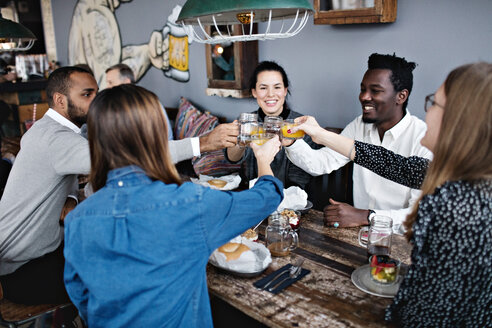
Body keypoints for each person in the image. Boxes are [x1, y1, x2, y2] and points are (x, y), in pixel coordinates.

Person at [63, 84, 283, 327]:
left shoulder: (78, 219)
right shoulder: (191, 203)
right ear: (158, 135)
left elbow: (80, 295)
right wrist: (263, 158)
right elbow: (267, 197)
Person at [291, 62, 492, 327]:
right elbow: (394, 164)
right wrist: (316, 134)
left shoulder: (454, 205)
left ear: (458, 120)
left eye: (434, 103)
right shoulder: (464, 182)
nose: (427, 110)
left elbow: (433, 309)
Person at [284, 53, 432, 233]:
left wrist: (366, 216)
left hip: (400, 239)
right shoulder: (358, 126)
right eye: (363, 89)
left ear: (401, 96)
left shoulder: (423, 138)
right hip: (356, 233)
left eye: (375, 90)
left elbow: (417, 215)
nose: (364, 97)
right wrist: (291, 142)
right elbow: (321, 163)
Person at [0, 66, 97, 304]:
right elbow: (126, 157)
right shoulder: (56, 138)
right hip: (20, 269)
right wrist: (198, 145)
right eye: (87, 94)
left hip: (38, 250)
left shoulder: (49, 129)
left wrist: (71, 198)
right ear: (60, 100)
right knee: (107, 282)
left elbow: (68, 170)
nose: (96, 101)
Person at [225, 61, 317, 189]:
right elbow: (232, 159)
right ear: (254, 92)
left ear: (285, 91)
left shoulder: (300, 125)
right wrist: (241, 139)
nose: (270, 94)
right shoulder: (247, 122)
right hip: (251, 193)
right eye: (263, 88)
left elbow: (300, 181)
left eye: (277, 87)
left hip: (290, 200)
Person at [105, 63, 174, 140]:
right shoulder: (120, 103)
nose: (107, 87)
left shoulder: (145, 102)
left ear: (126, 82)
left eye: (110, 82)